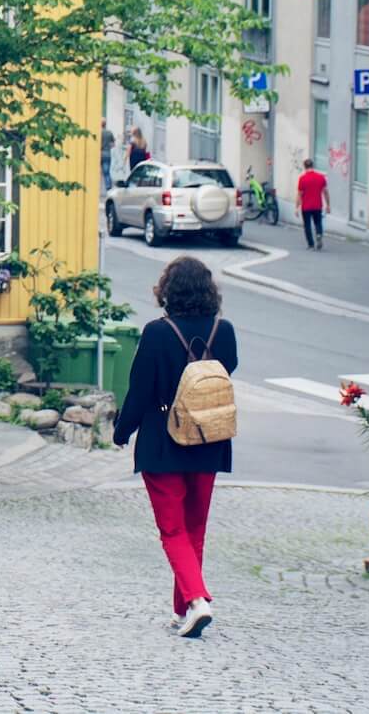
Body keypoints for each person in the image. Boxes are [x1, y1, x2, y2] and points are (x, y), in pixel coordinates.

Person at [112, 256, 239, 639]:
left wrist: (122, 431)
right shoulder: (224, 330)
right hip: (209, 439)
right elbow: (225, 371)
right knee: (194, 527)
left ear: (168, 290)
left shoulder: (156, 332)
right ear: (208, 290)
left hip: (163, 442)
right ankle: (183, 607)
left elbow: (140, 391)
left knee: (172, 529)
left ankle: (198, 600)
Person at [296, 158, 331, 250]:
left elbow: (300, 194)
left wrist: (296, 207)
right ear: (313, 166)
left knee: (307, 225)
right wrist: (328, 205)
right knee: (318, 223)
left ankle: (311, 244)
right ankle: (319, 234)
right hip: (317, 205)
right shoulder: (321, 177)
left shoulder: (302, 179)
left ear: (305, 167)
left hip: (306, 206)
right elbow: (325, 192)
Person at [101, 126, 115, 191]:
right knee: (107, 172)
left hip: (99, 153)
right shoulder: (109, 132)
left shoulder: (98, 132)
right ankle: (108, 186)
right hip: (107, 153)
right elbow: (113, 144)